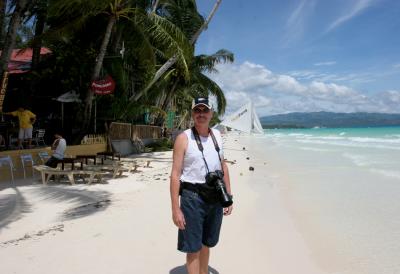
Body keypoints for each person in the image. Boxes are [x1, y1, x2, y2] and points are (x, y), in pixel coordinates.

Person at [170, 97, 233, 274]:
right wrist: (176, 209)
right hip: (192, 198)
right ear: (192, 114)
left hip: (214, 197)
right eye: (197, 110)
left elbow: (223, 166)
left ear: (211, 114)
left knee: (207, 243)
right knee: (193, 247)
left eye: (205, 110)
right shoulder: (184, 138)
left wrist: (228, 196)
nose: (201, 114)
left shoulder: (217, 136)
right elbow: (175, 175)